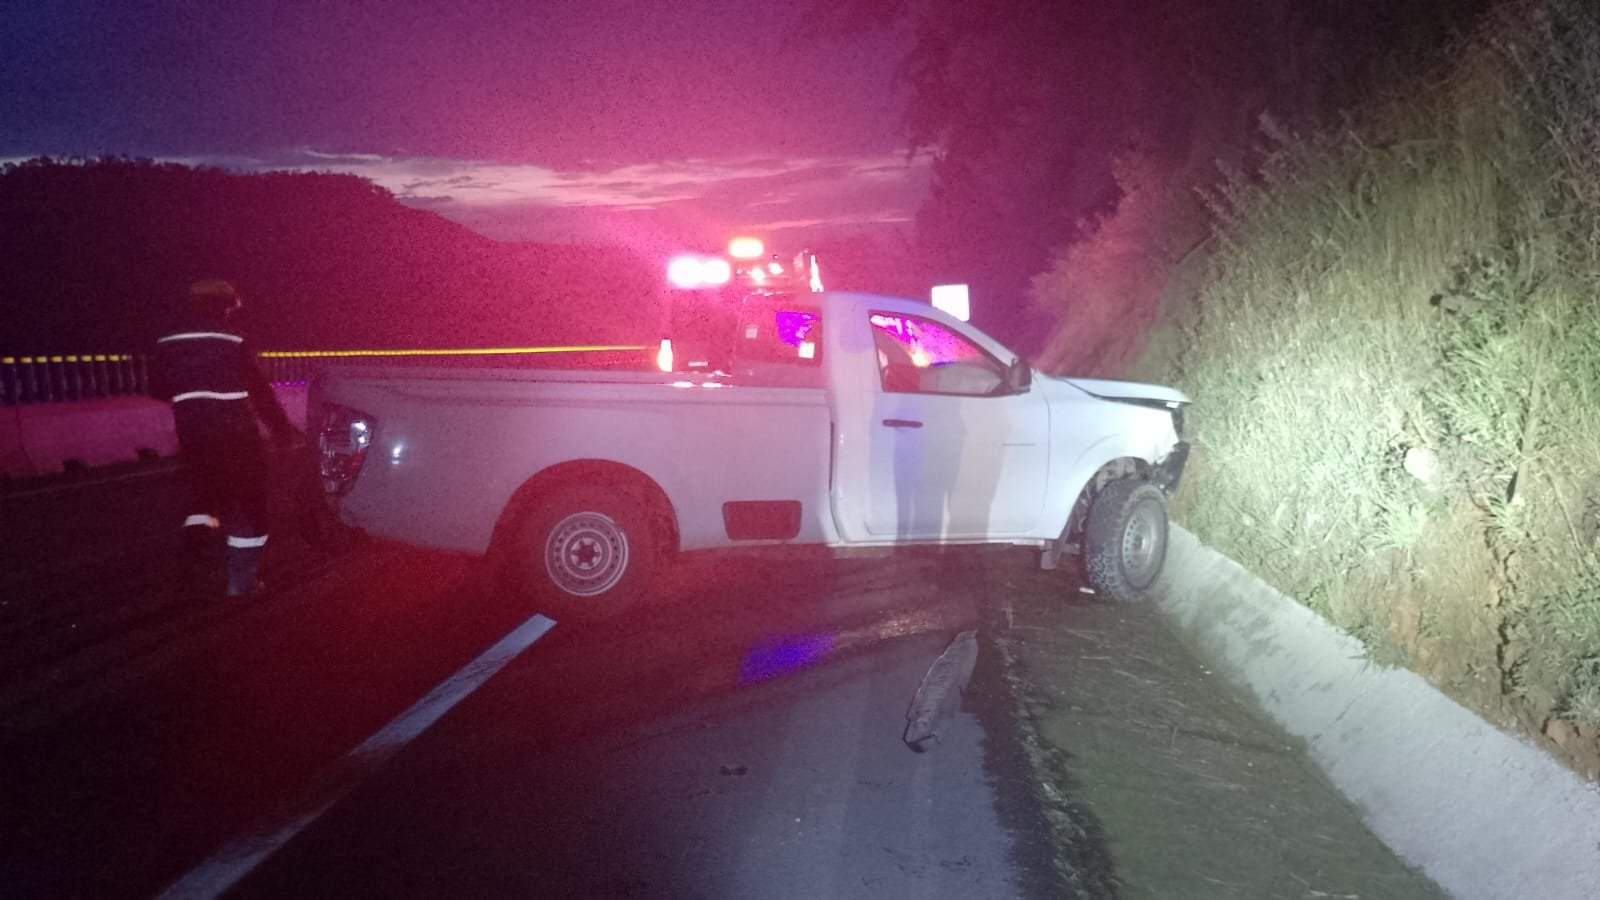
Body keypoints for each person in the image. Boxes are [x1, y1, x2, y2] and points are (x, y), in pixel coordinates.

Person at [150, 280, 302, 598]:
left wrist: (193, 399)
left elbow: (158, 388)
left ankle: (190, 566)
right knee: (251, 504)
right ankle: (241, 582)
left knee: (204, 502)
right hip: (237, 436)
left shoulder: (167, 340)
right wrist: (281, 430)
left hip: (194, 435)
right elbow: (259, 392)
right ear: (225, 305)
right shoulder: (234, 339)